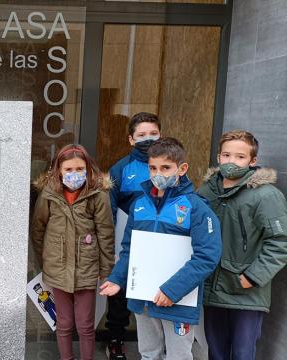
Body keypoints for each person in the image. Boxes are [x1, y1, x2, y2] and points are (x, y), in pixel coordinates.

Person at [100, 137, 222, 360]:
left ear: (182, 168)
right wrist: (117, 278)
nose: (158, 174)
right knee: (148, 353)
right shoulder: (139, 205)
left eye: (166, 168)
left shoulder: (196, 208)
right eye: (153, 168)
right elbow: (130, 249)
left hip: (178, 301)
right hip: (144, 298)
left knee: (178, 356)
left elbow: (207, 257)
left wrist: (172, 291)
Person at [198, 130, 287, 360]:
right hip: (212, 287)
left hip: (245, 291)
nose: (231, 161)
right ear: (218, 158)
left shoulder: (265, 195)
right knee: (215, 352)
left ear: (252, 161)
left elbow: (280, 241)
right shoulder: (206, 191)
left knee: (242, 353)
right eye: (226, 155)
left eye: (240, 156)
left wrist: (252, 277)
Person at [32, 144, 114, 360]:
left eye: (79, 169)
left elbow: (106, 235)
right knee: (64, 323)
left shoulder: (98, 195)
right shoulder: (49, 195)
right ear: (59, 170)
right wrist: (46, 261)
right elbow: (38, 230)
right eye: (68, 170)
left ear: (88, 168)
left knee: (86, 325)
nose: (74, 174)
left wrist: (106, 272)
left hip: (86, 270)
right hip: (58, 270)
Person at [106, 112, 161, 360]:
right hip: (126, 238)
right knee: (121, 289)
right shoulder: (120, 168)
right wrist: (112, 247)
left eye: (153, 133)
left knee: (155, 289)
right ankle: (115, 339)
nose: (148, 139)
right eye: (141, 135)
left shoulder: (169, 165)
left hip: (160, 240)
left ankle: (156, 345)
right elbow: (109, 209)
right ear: (131, 139)